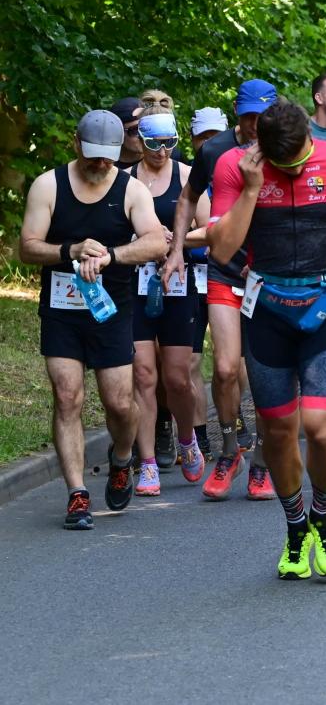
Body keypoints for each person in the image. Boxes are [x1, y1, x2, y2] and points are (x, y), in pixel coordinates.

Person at [208, 100, 326, 579]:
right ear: (260, 148)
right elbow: (223, 249)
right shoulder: (235, 167)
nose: (293, 171)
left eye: (299, 161)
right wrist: (253, 188)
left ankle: (322, 516)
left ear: (311, 139)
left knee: (321, 427)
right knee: (276, 430)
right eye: (283, 164)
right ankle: (295, 527)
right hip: (267, 311)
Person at [18, 109, 167, 528]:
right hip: (62, 310)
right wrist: (70, 250)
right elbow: (27, 247)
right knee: (68, 397)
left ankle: (122, 457)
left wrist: (110, 257)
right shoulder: (49, 185)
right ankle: (77, 494)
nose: (101, 163)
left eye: (108, 156)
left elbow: (156, 242)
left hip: (111, 310)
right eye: (93, 155)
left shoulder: (131, 190)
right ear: (76, 145)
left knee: (119, 403)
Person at [164, 79, 277, 501]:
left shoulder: (286, 148)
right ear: (237, 114)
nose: (255, 125)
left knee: (264, 372)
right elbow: (187, 199)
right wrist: (177, 249)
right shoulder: (215, 151)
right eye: (248, 116)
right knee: (226, 369)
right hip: (226, 270)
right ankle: (230, 451)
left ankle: (263, 460)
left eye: (262, 117)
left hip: (271, 276)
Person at [129, 109, 207, 494]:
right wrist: (140, 244)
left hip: (177, 283)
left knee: (177, 378)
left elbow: (210, 230)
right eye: (153, 144)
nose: (162, 151)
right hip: (134, 286)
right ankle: (147, 464)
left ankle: (187, 438)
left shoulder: (188, 176)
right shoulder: (125, 180)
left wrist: (175, 241)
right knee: (143, 375)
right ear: (139, 142)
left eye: (169, 143)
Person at [109, 97, 144, 169]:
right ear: (117, 132)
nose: (143, 135)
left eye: (147, 128)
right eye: (135, 130)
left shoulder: (161, 158)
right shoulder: (104, 165)